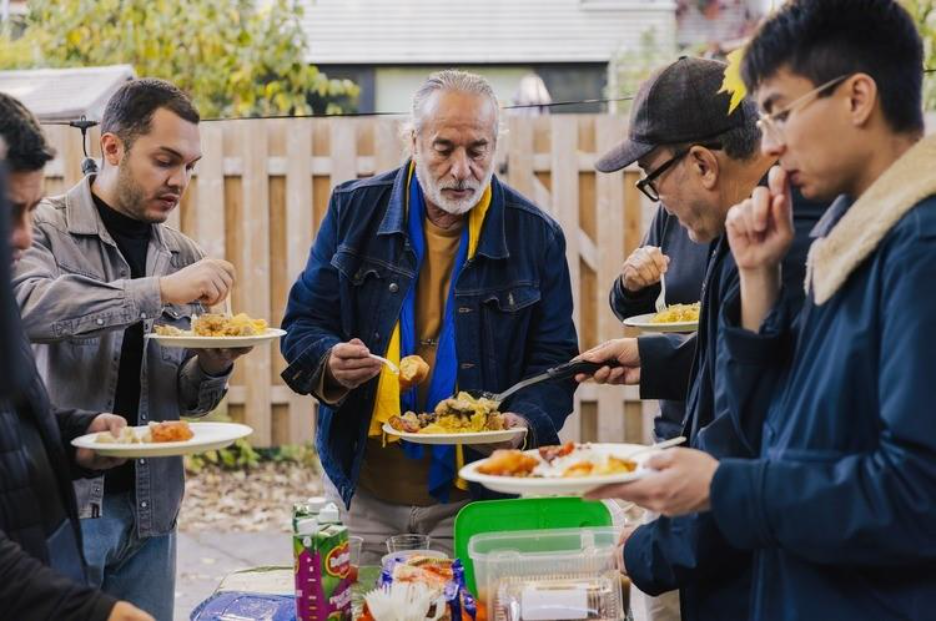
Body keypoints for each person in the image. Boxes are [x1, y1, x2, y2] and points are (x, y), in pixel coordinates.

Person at [588, 2, 936, 620]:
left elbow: (915, 495)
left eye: (779, 111)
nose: (769, 140)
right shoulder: (840, 229)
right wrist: (756, 285)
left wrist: (725, 488)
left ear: (858, 98)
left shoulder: (919, 249)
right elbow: (786, 420)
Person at [280, 70, 578, 563]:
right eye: (444, 149)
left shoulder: (536, 235)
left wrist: (521, 421)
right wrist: (329, 362)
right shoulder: (353, 210)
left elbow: (554, 361)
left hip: (477, 499)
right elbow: (304, 323)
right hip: (362, 493)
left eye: (477, 149)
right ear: (412, 140)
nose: (462, 169)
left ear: (495, 144)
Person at [579, 57, 824, 621]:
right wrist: (656, 359)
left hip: (760, 579)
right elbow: (749, 366)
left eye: (652, 178)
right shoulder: (746, 222)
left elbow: (751, 434)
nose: (656, 198)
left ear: (702, 164)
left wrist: (653, 550)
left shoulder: (780, 240)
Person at [13, 78, 251, 620]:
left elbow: (186, 403)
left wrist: (213, 365)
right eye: (165, 160)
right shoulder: (42, 228)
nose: (180, 180)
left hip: (152, 511)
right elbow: (30, 308)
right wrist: (158, 292)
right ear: (112, 148)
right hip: (66, 507)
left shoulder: (180, 252)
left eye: (190, 166)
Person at [0, 92, 153, 621]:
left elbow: (12, 427)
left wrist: (75, 438)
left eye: (29, 210)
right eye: (9, 212)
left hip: (53, 549)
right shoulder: (44, 243)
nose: (22, 234)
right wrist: (99, 613)